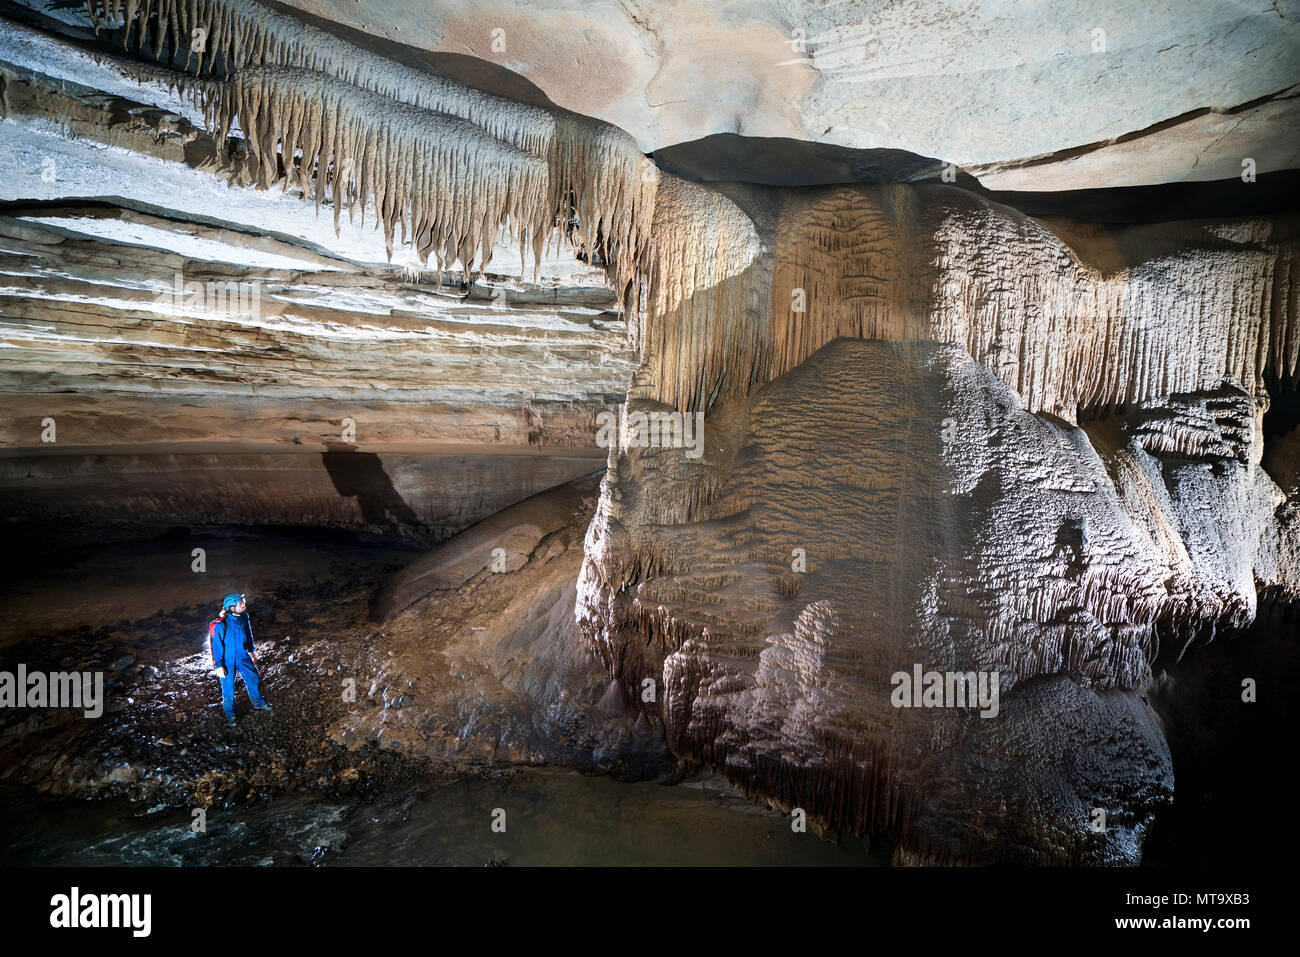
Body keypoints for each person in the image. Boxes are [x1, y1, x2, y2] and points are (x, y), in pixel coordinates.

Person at [210, 593, 272, 727]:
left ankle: (258, 702)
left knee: (253, 677)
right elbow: (217, 646)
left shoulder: (244, 616)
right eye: (241, 603)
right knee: (228, 688)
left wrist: (252, 652)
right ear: (232, 608)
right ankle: (230, 714)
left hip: (243, 655)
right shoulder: (222, 625)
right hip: (227, 659)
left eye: (243, 602)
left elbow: (248, 634)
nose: (244, 604)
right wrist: (218, 666)